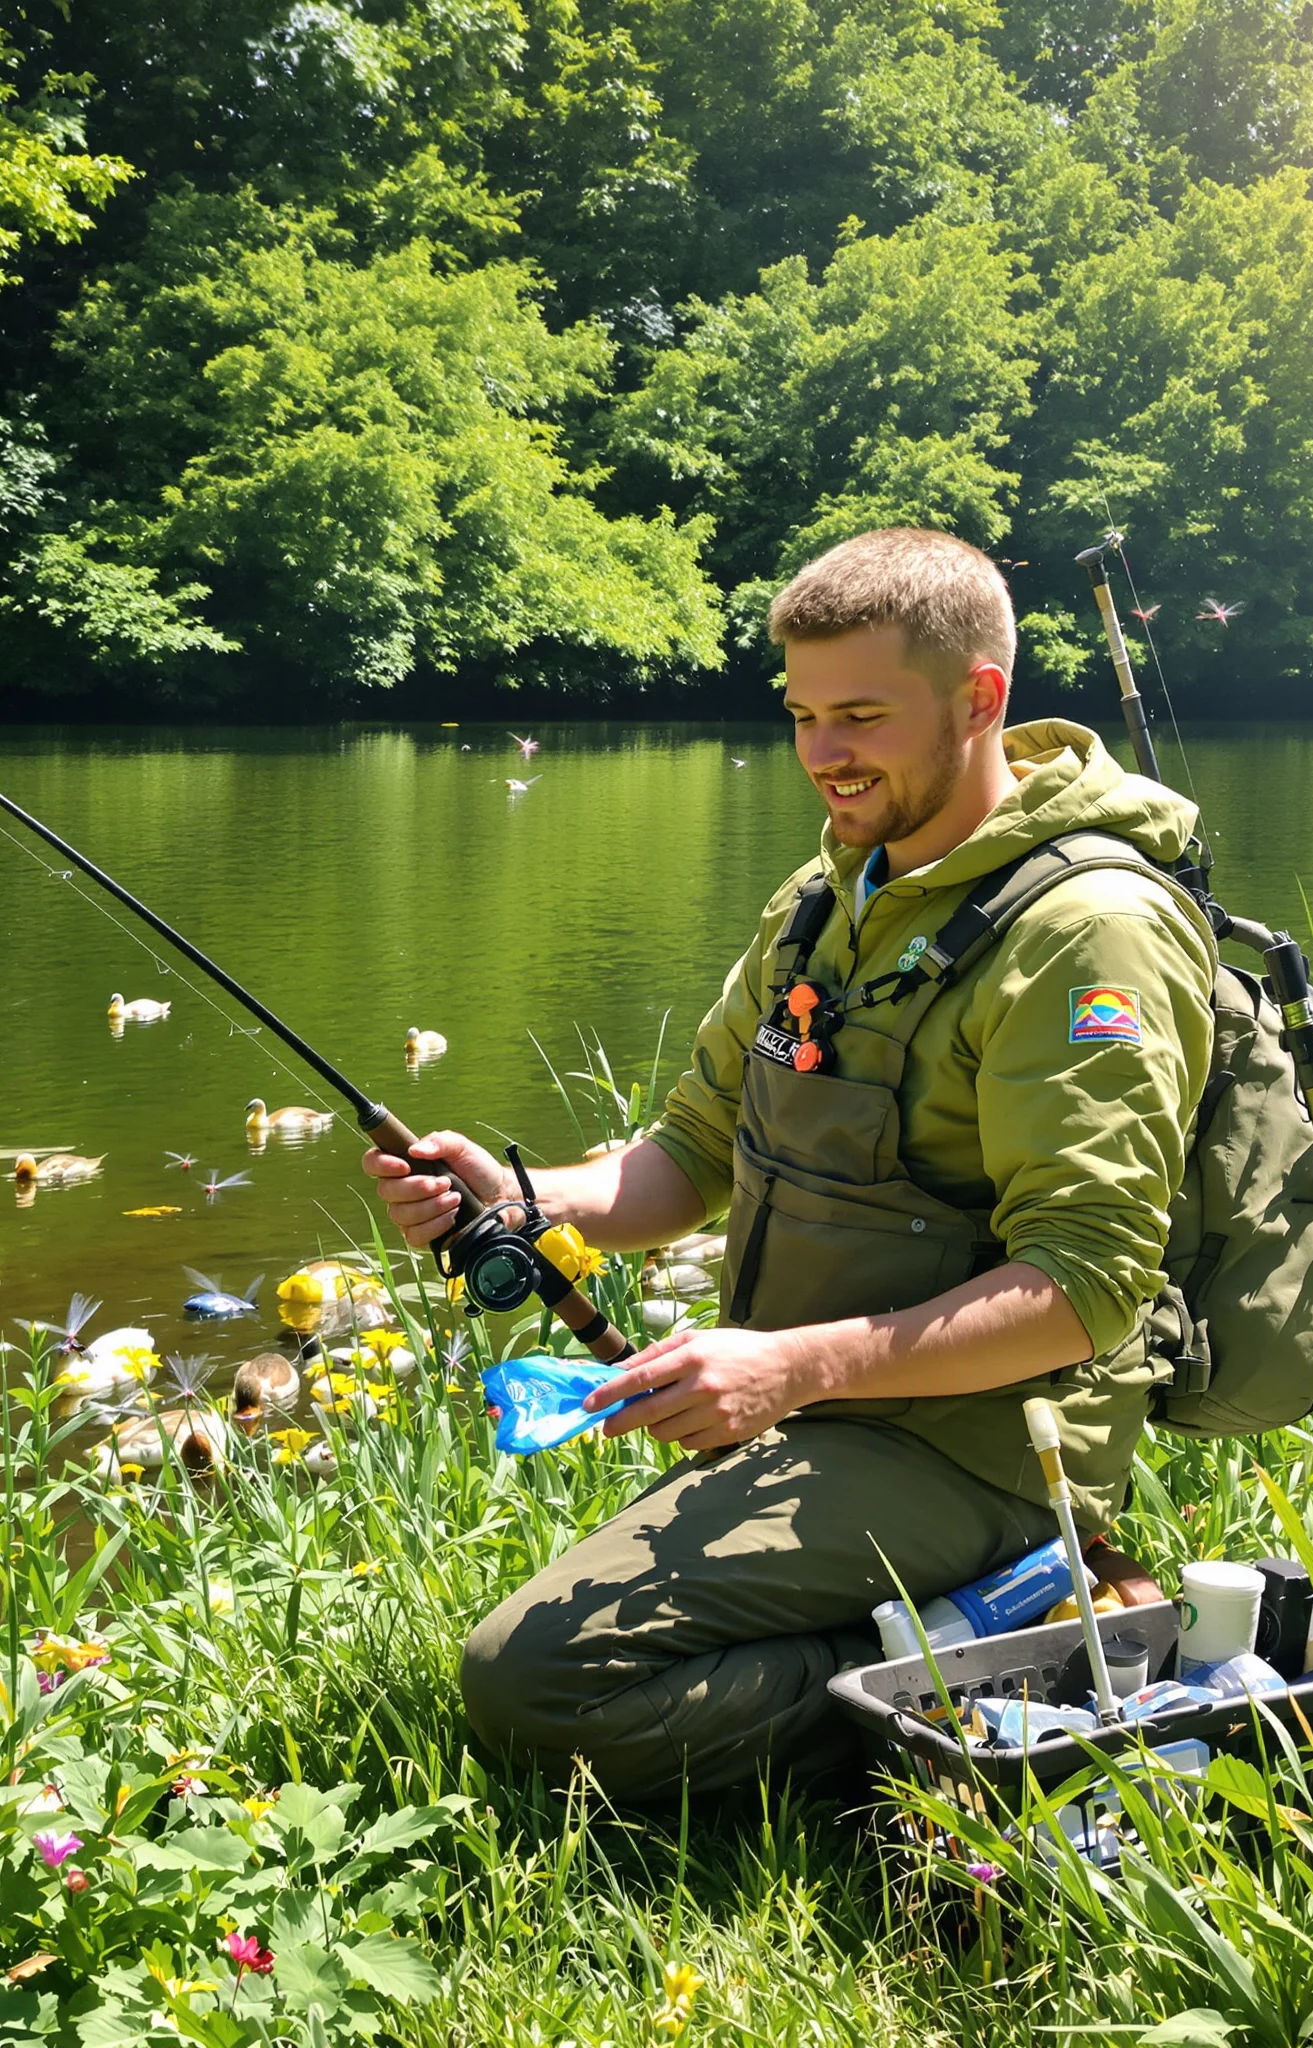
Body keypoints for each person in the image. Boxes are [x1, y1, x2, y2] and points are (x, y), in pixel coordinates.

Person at [363, 527, 1218, 1800]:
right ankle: (1007, 1619)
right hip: (823, 1410)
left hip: (984, 1441)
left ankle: (1005, 1648)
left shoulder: (1087, 933)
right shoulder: (823, 896)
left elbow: (1083, 1286)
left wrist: (790, 1364)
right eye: (805, 715)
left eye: (862, 715)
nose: (824, 755)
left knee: (531, 1682)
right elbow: (691, 1154)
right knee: (533, 1665)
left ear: (979, 700)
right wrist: (524, 1195)